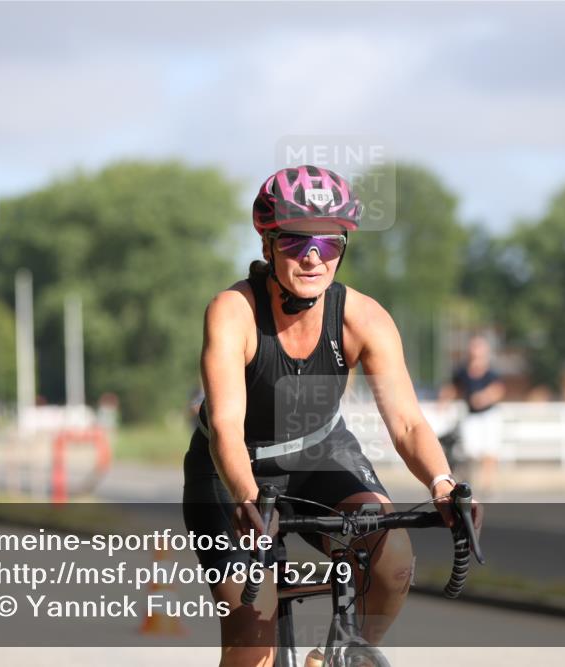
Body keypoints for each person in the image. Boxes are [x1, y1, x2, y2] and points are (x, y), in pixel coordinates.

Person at [182, 165, 483, 667]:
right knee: (253, 637)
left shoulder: (363, 318)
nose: (314, 258)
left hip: (319, 449)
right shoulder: (232, 312)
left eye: (330, 244)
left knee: (391, 563)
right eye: (298, 243)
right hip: (231, 468)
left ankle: (333, 658)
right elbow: (227, 427)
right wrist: (247, 497)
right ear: (268, 246)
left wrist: (442, 483)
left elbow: (407, 423)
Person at [439, 336, 505, 498]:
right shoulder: (462, 371)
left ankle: (488, 485)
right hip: (471, 416)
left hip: (489, 415)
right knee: (469, 451)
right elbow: (453, 388)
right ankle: (470, 481)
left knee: (490, 451)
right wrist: (443, 400)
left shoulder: (491, 371)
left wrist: (484, 397)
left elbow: (498, 390)